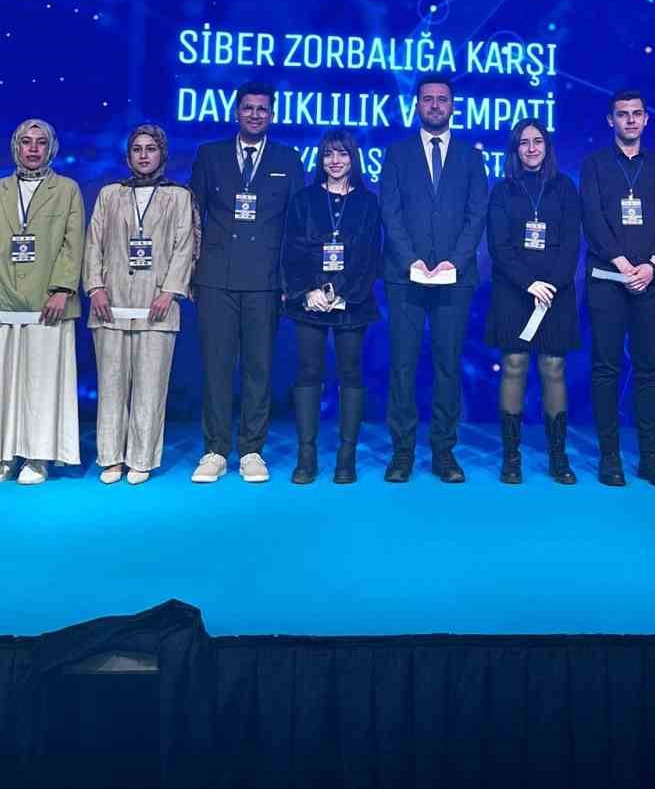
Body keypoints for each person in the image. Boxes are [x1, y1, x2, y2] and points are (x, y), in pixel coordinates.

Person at [0, 118, 84, 485]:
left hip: (48, 303)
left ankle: (38, 457)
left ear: (51, 148)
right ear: (15, 147)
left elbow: (74, 243)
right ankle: (0, 456)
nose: (33, 148)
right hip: (0, 301)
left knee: (41, 384)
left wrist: (62, 289)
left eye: (41, 142)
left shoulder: (67, 190)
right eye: (26, 142)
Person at [189, 81, 304, 484]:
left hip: (266, 280)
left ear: (272, 115)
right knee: (216, 368)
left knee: (259, 368)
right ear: (236, 111)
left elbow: (296, 226)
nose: (255, 114)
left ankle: (252, 450)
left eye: (262, 109)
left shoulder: (288, 159)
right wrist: (191, 274)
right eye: (248, 108)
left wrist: (291, 281)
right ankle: (215, 450)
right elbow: (193, 219)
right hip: (216, 279)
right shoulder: (210, 155)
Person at [379, 74, 490, 483]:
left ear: (453, 106)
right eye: (428, 99)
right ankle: (402, 453)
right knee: (403, 366)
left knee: (447, 366)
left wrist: (452, 263)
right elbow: (389, 212)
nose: (435, 106)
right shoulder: (397, 154)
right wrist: (412, 261)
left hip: (454, 279)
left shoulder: (470, 157)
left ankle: (444, 452)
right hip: (404, 277)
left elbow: (477, 215)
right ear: (417, 106)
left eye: (442, 99)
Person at [84, 125, 197, 486]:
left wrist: (170, 292)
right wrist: (95, 288)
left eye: (151, 148)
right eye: (137, 149)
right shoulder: (109, 194)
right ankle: (111, 457)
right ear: (128, 155)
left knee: (150, 388)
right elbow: (93, 244)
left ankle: (141, 458)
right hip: (110, 304)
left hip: (157, 305)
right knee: (111, 387)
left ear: (163, 153)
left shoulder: (179, 196)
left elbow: (185, 246)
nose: (144, 155)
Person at [580, 90, 655, 487]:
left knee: (650, 369)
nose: (631, 120)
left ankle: (650, 457)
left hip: (650, 279)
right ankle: (610, 457)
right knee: (606, 367)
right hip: (608, 279)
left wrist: (651, 264)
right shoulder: (594, 164)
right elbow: (592, 219)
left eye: (637, 113)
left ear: (646, 119)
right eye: (623, 114)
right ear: (611, 121)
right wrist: (622, 264)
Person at [281, 129, 381, 485]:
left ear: (353, 159)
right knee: (308, 371)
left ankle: (346, 459)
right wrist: (308, 292)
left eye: (342, 154)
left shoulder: (368, 203)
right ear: (320, 159)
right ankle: (306, 457)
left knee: (350, 372)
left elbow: (369, 256)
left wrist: (341, 294)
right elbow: (291, 251)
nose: (335, 161)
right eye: (328, 154)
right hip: (308, 301)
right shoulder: (304, 199)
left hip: (352, 301)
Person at [486, 119, 582, 484]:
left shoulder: (565, 188)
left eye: (537, 141)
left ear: (547, 146)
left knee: (553, 366)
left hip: (556, 291)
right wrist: (528, 284)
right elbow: (499, 246)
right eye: (523, 142)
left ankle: (558, 456)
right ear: (515, 149)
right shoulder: (503, 191)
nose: (531, 148)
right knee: (514, 364)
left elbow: (571, 243)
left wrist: (550, 285)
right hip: (513, 290)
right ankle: (511, 457)